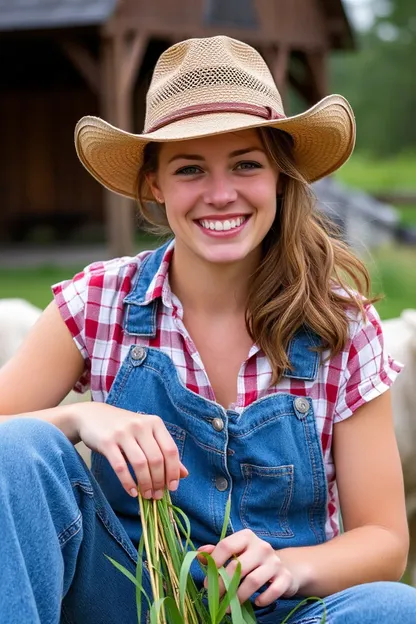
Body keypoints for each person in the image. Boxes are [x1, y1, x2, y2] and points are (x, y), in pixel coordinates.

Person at [0, 35, 415, 624]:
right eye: (190, 169)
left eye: (245, 164)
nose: (221, 195)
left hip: (280, 610)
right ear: (154, 185)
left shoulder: (339, 327)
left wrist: (295, 567)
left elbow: (384, 539)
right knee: (15, 446)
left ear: (279, 175)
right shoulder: (100, 302)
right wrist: (75, 417)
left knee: (397, 609)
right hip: (122, 600)